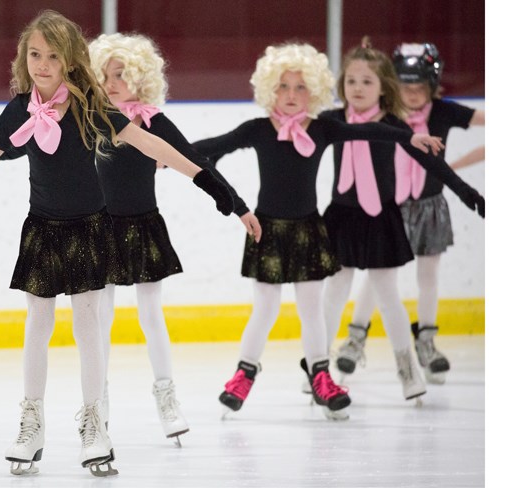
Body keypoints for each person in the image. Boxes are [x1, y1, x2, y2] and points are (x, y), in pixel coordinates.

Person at [0, 10, 235, 478]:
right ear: (24, 56)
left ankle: (94, 423)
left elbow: (151, 145)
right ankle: (31, 422)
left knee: (88, 324)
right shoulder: (21, 107)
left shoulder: (90, 103)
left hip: (90, 229)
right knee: (37, 322)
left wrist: (208, 182)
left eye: (52, 56)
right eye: (34, 54)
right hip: (42, 227)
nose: (41, 64)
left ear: (71, 60)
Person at [191, 42, 451, 420]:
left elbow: (373, 132)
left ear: (313, 90)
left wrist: (409, 138)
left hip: (309, 231)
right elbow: (211, 148)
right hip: (268, 233)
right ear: (269, 89)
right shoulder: (259, 130)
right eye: (283, 87)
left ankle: (321, 377)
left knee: (312, 311)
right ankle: (244, 373)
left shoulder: (325, 128)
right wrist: (168, 157)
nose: (292, 95)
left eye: (300, 87)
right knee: (264, 310)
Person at [86, 32, 260, 445]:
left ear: (142, 78)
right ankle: (97, 403)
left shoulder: (152, 122)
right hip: (99, 227)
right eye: (107, 74)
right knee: (98, 320)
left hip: (144, 225)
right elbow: (39, 144)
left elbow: (197, 164)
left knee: (151, 314)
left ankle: (167, 398)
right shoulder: (87, 117)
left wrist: (237, 206)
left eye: (123, 74)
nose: (113, 82)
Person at [320, 38, 484, 403]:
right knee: (334, 293)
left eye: (367, 82)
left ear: (382, 87)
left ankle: (407, 367)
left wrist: (465, 191)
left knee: (388, 294)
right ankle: (319, 368)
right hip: (341, 216)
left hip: (382, 218)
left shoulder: (395, 124)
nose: (358, 89)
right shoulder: (330, 121)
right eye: (351, 81)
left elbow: (431, 163)